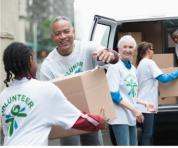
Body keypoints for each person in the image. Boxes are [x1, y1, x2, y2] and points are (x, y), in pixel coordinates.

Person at [0, 42, 105, 146]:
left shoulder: (3, 95)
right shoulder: (45, 89)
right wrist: (100, 121)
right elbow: (77, 119)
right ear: (30, 60)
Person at [38, 16, 119, 146]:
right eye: (58, 34)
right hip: (68, 118)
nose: (63, 36)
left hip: (91, 113)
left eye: (66, 31)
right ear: (53, 37)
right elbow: (45, 98)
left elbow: (112, 57)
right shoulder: (48, 66)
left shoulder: (87, 48)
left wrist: (111, 55)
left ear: (73, 32)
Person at [135, 41, 178, 145]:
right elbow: (163, 79)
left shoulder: (141, 64)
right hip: (147, 106)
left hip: (142, 104)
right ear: (148, 50)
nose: (153, 51)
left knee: (148, 134)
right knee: (148, 134)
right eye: (152, 49)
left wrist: (160, 94)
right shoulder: (149, 62)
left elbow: (148, 84)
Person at [106, 35, 155, 146]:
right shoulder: (114, 68)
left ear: (134, 50)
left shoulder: (133, 69)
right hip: (119, 117)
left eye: (131, 47)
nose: (127, 50)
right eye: (125, 47)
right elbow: (114, 95)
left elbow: (130, 95)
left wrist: (145, 102)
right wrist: (135, 110)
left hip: (130, 116)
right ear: (119, 49)